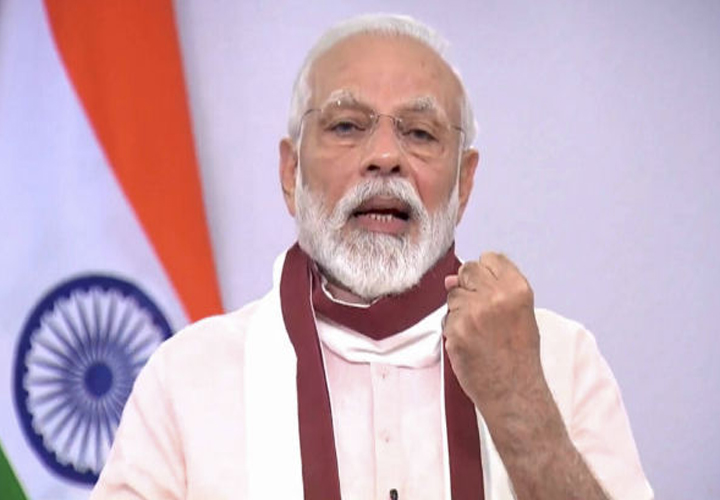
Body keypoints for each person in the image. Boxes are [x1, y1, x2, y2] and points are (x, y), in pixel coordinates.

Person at [92, 13, 653, 500]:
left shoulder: (560, 360)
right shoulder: (188, 375)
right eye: (346, 126)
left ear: (464, 183)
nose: (385, 156)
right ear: (291, 173)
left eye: (421, 133)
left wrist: (519, 403)